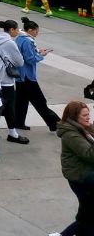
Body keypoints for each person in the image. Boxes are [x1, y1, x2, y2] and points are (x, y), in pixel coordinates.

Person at [54, 100, 94, 236]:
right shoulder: (70, 134)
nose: (88, 117)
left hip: (87, 174)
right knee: (88, 216)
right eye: (85, 115)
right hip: (81, 177)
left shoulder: (85, 127)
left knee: (87, 215)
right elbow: (90, 155)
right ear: (74, 117)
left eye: (88, 114)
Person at [15, 16, 61, 132]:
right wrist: (41, 55)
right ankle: (55, 123)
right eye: (36, 31)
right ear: (30, 30)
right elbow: (30, 59)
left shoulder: (20, 38)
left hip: (20, 76)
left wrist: (37, 51)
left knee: (22, 101)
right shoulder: (27, 41)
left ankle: (19, 122)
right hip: (28, 76)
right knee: (40, 101)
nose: (37, 33)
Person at [0, 20, 30, 146]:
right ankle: (12, 134)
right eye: (17, 29)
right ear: (12, 30)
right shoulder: (9, 43)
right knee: (8, 107)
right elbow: (20, 62)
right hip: (6, 80)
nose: (18, 32)